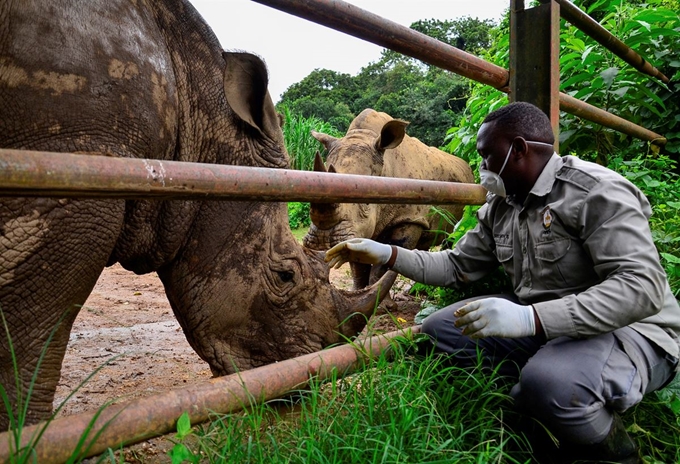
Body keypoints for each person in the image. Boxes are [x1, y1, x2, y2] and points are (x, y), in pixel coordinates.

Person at [325, 101, 680, 464]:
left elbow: (642, 287)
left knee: (553, 383)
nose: (481, 167)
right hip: (555, 327)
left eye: (486, 156)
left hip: (632, 331)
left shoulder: (595, 193)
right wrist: (386, 255)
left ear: (520, 150)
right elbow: (455, 266)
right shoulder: (502, 205)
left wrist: (529, 319)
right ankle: (532, 401)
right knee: (441, 331)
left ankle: (612, 450)